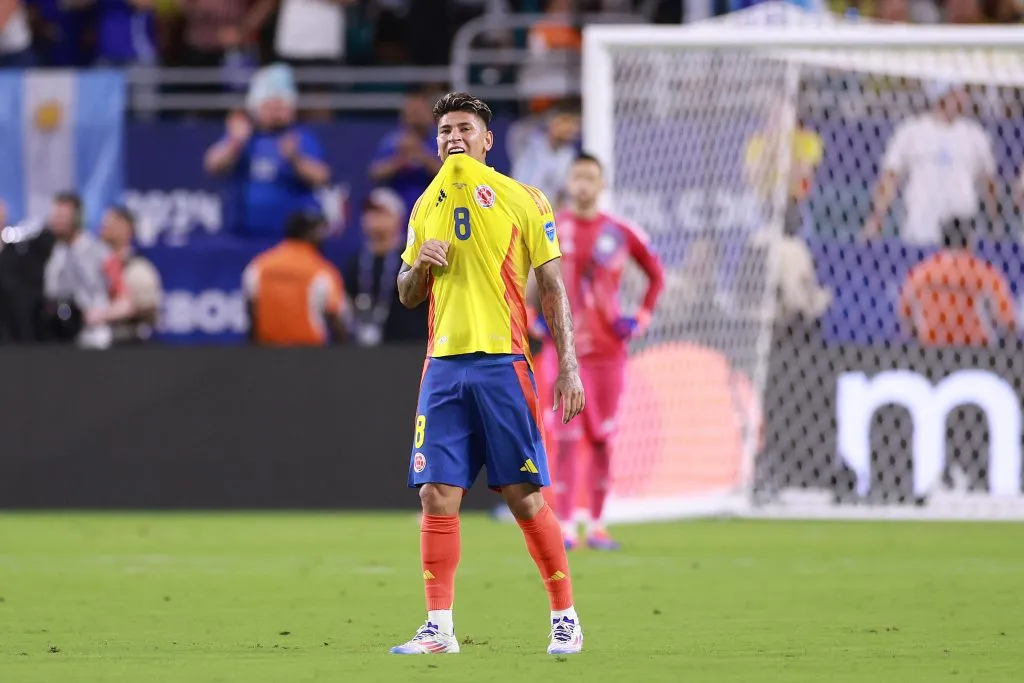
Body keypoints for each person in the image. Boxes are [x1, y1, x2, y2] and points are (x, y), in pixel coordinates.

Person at [390, 92, 586, 656]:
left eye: (465, 129)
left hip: (504, 364)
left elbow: (551, 286)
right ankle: (439, 628)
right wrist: (417, 265)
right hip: (443, 368)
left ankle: (564, 616)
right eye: (445, 130)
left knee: (526, 499)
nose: (454, 138)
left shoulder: (526, 200)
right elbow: (406, 295)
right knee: (435, 495)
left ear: (488, 140)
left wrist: (567, 363)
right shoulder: (424, 206)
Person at [539, 153, 664, 551]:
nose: (583, 184)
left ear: (602, 184)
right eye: (578, 176)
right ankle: (562, 525)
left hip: (608, 352)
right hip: (563, 353)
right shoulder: (550, 227)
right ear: (568, 180)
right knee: (565, 436)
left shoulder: (620, 232)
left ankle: (597, 524)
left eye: (591, 177)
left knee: (602, 439)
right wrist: (531, 321)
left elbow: (656, 276)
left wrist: (639, 318)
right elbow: (523, 280)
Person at [204, 63, 331, 240]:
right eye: (272, 106)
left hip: (291, 237)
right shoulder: (244, 135)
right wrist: (235, 143)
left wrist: (295, 159)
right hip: (246, 233)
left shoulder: (300, 137)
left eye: (282, 106)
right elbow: (212, 165)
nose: (277, 112)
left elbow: (321, 176)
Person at [863, 83, 999, 246]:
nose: (963, 98)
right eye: (957, 92)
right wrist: (877, 217)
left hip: (961, 228)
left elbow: (989, 181)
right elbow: (890, 177)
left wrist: (994, 219)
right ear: (942, 96)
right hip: (920, 227)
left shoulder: (975, 134)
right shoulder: (911, 131)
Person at [898, 216, 1016, 347]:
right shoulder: (984, 273)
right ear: (969, 241)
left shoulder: (922, 272)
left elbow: (905, 315)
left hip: (931, 348)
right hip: (976, 350)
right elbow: (1007, 320)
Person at [242, 211, 347, 345]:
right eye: (319, 232)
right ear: (310, 235)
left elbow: (252, 313)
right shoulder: (322, 270)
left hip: (267, 352)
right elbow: (335, 318)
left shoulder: (259, 265)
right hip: (309, 354)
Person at [342, 187, 427, 346]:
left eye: (381, 212)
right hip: (368, 350)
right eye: (369, 212)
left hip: (411, 346)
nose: (372, 217)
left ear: (398, 218)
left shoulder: (412, 257)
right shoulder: (356, 262)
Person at [42, 192, 126, 349]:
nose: (57, 221)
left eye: (63, 216)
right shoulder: (54, 252)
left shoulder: (100, 253)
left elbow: (126, 301)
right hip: (60, 339)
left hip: (94, 339)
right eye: (55, 216)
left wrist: (100, 314)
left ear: (77, 218)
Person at [369, 90, 444, 219]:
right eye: (413, 112)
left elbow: (447, 174)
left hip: (431, 200)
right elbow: (375, 172)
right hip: (397, 202)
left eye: (420, 112)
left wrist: (422, 155)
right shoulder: (393, 141)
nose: (417, 117)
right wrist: (400, 159)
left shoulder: (439, 141)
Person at [98, 206, 163, 345]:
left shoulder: (138, 268)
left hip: (128, 345)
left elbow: (149, 307)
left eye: (109, 223)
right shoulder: (97, 264)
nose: (103, 227)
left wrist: (107, 314)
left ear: (125, 227)